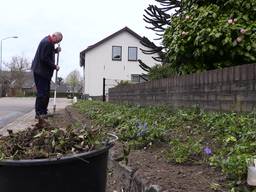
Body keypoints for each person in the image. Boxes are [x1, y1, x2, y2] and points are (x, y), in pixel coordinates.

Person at [31, 32, 63, 119]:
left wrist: (55, 51)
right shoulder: (47, 42)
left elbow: (48, 53)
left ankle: (43, 111)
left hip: (44, 73)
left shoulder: (50, 42)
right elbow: (44, 58)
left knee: (46, 93)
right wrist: (54, 66)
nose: (56, 43)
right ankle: (39, 113)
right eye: (57, 41)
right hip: (40, 72)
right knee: (42, 93)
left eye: (58, 42)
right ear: (54, 36)